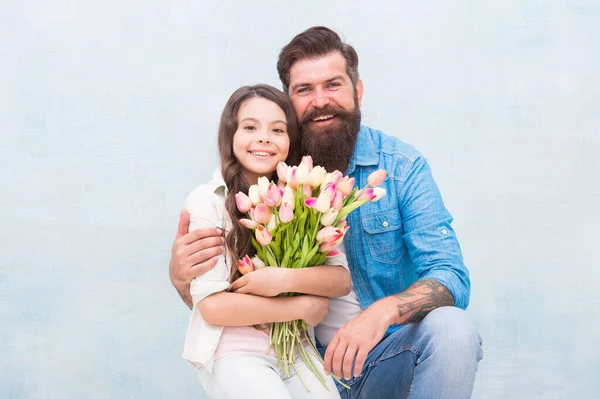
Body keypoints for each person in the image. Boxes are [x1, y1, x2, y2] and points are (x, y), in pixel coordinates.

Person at [171, 28, 483, 399]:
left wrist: (380, 313)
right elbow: (222, 298)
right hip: (294, 360)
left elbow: (450, 276)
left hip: (383, 357)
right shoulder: (267, 178)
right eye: (304, 90)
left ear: (358, 91)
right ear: (288, 101)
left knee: (454, 329)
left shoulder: (401, 167)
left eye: (333, 85)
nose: (320, 101)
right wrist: (182, 283)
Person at [182, 83, 351, 399]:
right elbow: (213, 307)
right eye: (250, 127)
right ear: (230, 135)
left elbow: (340, 280)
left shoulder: (308, 200)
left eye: (277, 129)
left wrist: (282, 279)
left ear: (291, 140)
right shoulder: (208, 200)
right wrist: (302, 305)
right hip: (235, 352)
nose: (263, 138)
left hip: (298, 352)